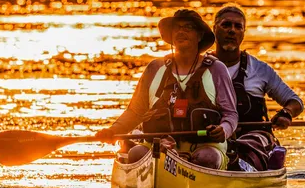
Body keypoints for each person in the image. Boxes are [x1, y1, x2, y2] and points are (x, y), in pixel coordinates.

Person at [95, 9, 238, 170]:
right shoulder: (154, 68)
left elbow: (231, 114)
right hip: (159, 145)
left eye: (188, 27)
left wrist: (223, 130)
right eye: (177, 28)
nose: (181, 31)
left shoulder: (217, 69)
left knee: (208, 158)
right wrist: (112, 131)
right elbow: (135, 112)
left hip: (204, 148)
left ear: (199, 36)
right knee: (135, 154)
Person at [210, 4, 304, 171]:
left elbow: (295, 102)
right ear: (214, 29)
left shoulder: (260, 70)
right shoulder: (201, 67)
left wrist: (286, 113)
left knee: (244, 147)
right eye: (226, 25)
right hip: (212, 139)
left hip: (253, 139)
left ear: (243, 34)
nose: (232, 30)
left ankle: (245, 164)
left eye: (238, 26)